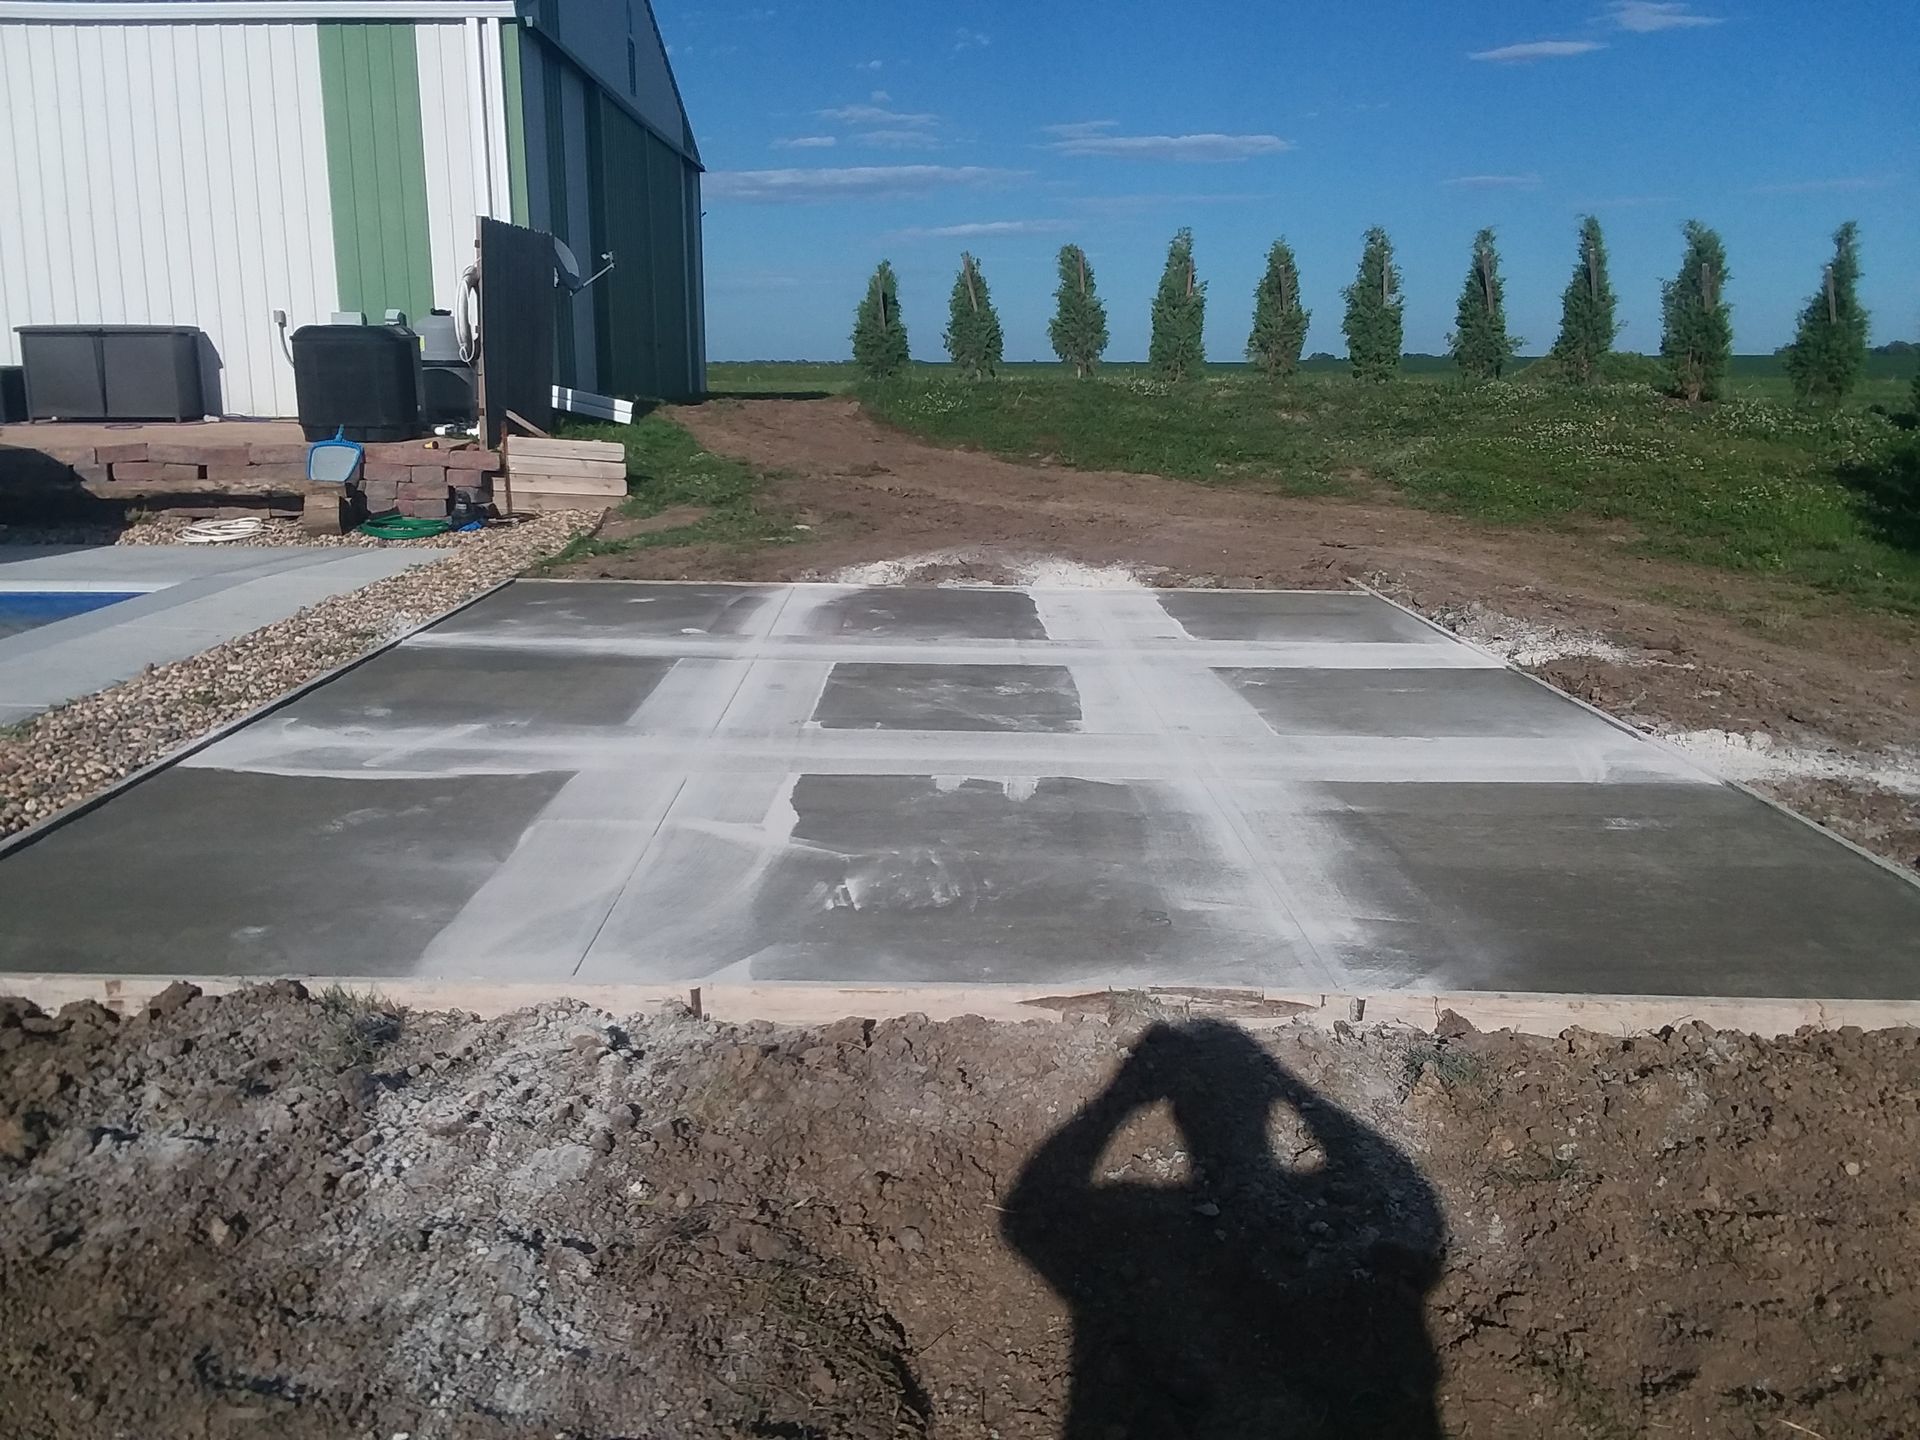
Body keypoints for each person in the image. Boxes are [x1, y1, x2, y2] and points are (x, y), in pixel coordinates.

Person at [1002, 1020, 1445, 1438]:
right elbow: (1406, 1192)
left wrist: (1120, 1099)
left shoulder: (1132, 1219)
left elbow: (1029, 1213)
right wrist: (1287, 1083)